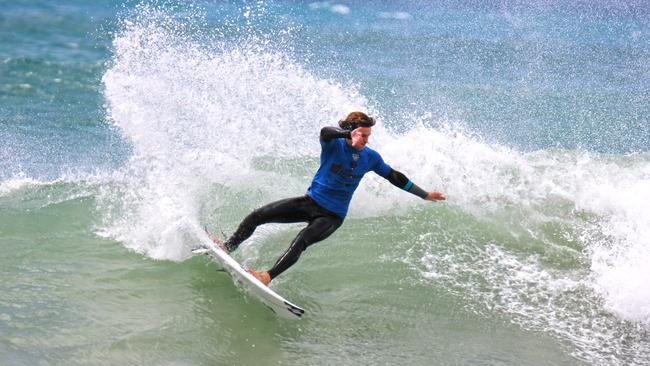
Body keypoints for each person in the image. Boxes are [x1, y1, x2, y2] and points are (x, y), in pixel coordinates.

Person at [209, 112, 445, 285]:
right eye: (362, 135)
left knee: (300, 242)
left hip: (332, 216)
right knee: (257, 216)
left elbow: (393, 176)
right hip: (309, 203)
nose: (365, 140)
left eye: (367, 136)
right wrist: (346, 135)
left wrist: (424, 194)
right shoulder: (333, 145)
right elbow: (325, 131)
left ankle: (266, 277)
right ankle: (229, 246)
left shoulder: (371, 157)